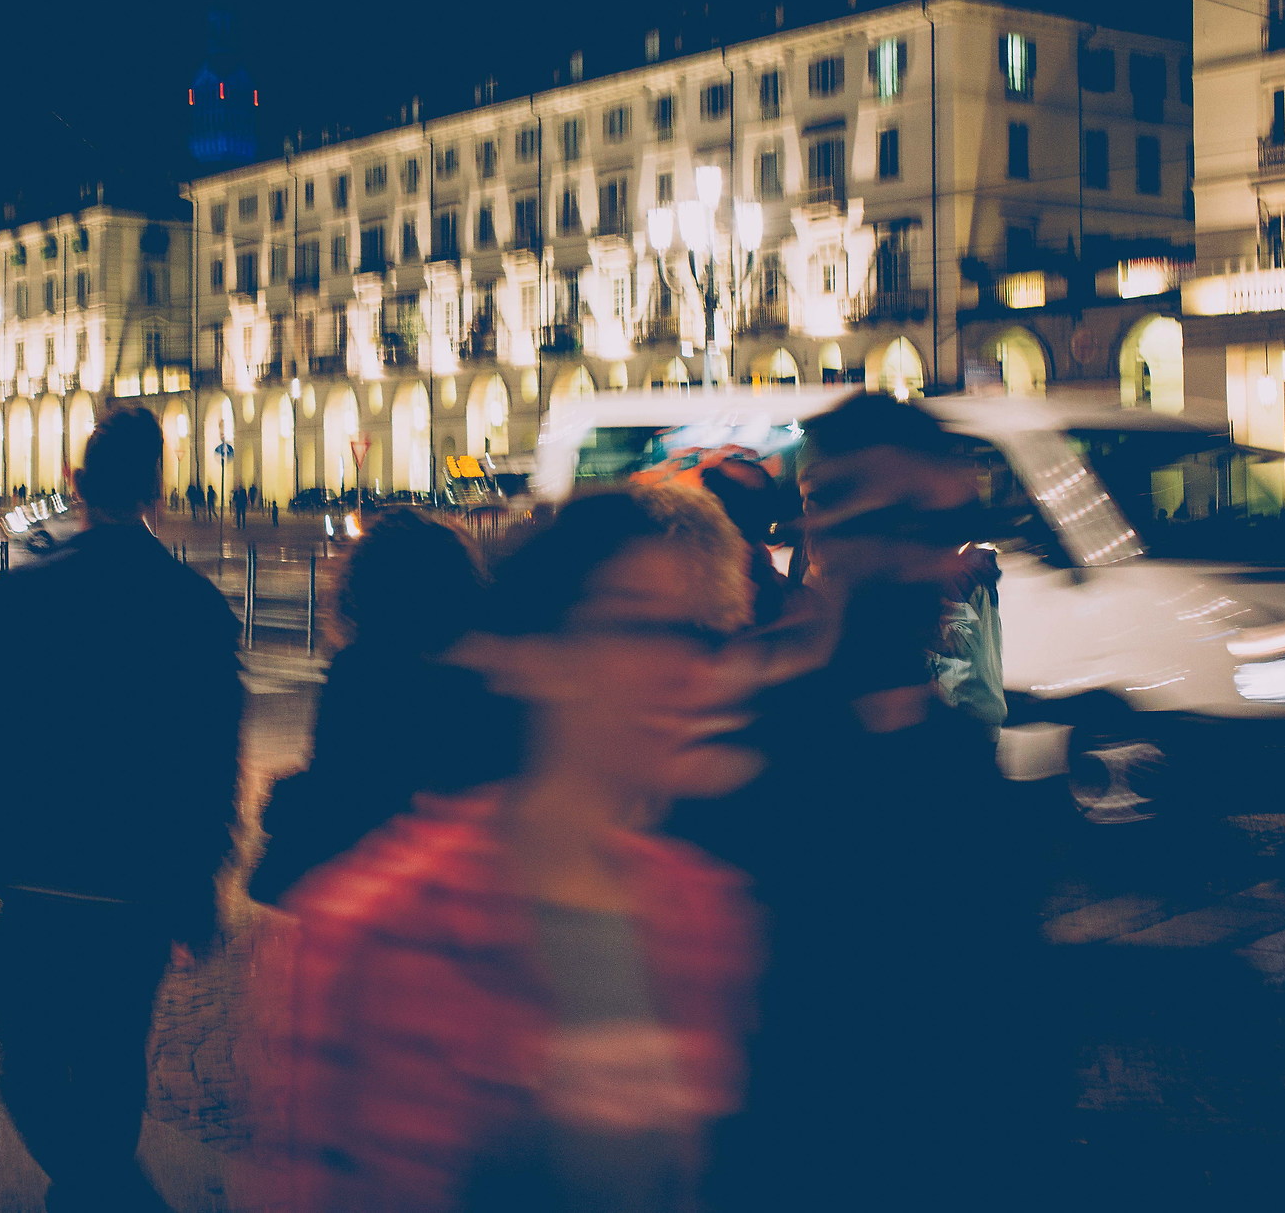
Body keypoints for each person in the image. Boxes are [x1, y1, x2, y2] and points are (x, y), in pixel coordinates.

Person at [261, 485, 801, 1212]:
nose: (686, 671)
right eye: (640, 627)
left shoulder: (705, 914)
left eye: (705, 636)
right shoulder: (384, 930)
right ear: (541, 653)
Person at [667, 393, 1051, 1205]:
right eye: (895, 521)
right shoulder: (735, 731)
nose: (927, 557)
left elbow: (1001, 1025)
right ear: (821, 522)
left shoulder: (949, 750)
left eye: (942, 525)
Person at [0, 407, 243, 1212]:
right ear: (158, 489)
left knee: (27, 1062)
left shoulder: (20, 595)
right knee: (115, 1054)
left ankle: (95, 1190)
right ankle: (99, 1188)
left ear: (76, 485)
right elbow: (215, 762)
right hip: (141, 882)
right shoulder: (195, 606)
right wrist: (202, 880)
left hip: (37, 866)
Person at [247, 509, 519, 907]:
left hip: (383, 888)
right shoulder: (489, 669)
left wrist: (284, 801)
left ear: (365, 586)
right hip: (469, 885)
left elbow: (341, 787)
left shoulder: (364, 670)